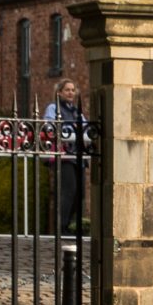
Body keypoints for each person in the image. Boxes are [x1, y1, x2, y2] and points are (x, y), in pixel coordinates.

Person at [42, 78, 88, 237]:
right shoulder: (54, 107)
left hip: (78, 155)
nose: (70, 92)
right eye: (67, 90)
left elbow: (87, 128)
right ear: (59, 92)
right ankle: (61, 228)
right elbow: (48, 126)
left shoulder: (76, 111)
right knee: (68, 190)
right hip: (63, 155)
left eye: (73, 90)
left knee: (80, 193)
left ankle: (70, 225)